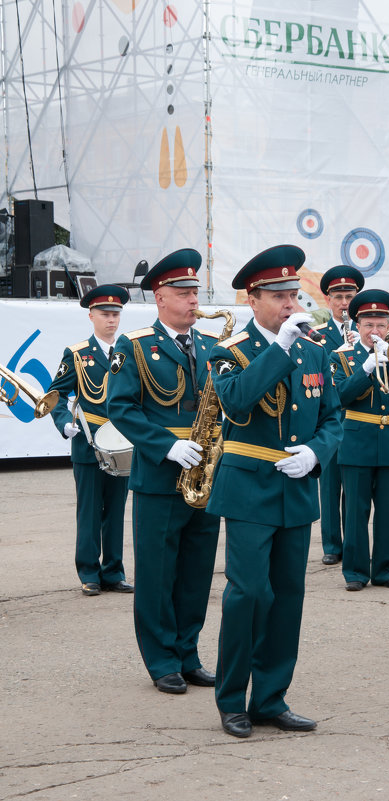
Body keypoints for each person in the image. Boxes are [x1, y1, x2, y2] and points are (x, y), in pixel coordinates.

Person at [206, 244, 342, 738]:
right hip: (248, 492)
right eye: (279, 295)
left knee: (287, 597)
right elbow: (238, 402)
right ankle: (232, 699)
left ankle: (271, 698)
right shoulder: (228, 351)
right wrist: (278, 349)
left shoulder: (315, 350)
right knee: (248, 594)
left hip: (297, 489)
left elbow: (333, 416)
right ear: (252, 298)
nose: (290, 304)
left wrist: (316, 453)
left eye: (294, 294)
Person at [106, 249, 220, 694]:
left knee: (196, 571)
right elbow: (120, 407)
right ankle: (161, 660)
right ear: (160, 297)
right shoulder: (133, 345)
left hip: (205, 473)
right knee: (157, 574)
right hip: (158, 474)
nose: (194, 300)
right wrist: (167, 445)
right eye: (184, 292)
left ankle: (188, 653)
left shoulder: (212, 347)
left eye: (195, 292)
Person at [48, 284, 133, 597]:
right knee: (89, 510)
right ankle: (89, 572)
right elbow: (56, 394)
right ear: (91, 316)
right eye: (105, 314)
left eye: (116, 314)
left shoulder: (128, 351)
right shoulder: (78, 354)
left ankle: (113, 571)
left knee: (115, 510)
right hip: (87, 441)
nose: (111, 320)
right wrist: (63, 422)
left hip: (122, 443)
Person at [330, 290, 389, 593]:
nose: (375, 331)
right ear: (357, 327)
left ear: (388, 325)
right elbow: (338, 397)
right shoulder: (342, 357)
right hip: (356, 442)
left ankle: (384, 570)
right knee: (355, 511)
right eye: (368, 325)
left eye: (380, 325)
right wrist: (366, 369)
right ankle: (354, 571)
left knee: (386, 511)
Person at [314, 265, 365, 565]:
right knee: (330, 483)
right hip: (328, 417)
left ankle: (356, 542)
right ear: (328, 301)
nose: (345, 303)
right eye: (339, 297)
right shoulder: (319, 336)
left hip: (358, 417)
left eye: (349, 296)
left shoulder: (368, 332)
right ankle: (332, 544)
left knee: (356, 486)